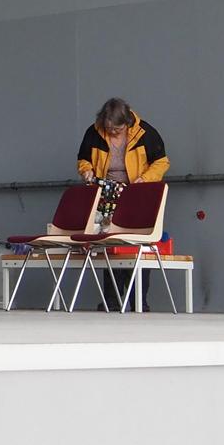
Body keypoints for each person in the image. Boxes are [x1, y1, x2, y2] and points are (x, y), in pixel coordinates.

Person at [77, 97, 169, 311]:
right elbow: (83, 159)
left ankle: (139, 302)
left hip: (136, 195)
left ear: (127, 123)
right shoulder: (94, 132)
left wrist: (145, 179)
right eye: (109, 128)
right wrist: (86, 171)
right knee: (109, 245)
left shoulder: (145, 132)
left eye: (117, 129)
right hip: (106, 196)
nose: (112, 132)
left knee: (137, 246)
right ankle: (111, 301)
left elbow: (161, 162)